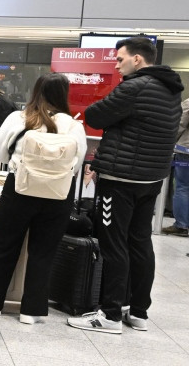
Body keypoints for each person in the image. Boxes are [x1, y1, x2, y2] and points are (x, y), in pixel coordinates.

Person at [68, 37, 183, 335]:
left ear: (138, 60)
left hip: (120, 180)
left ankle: (109, 315)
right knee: (140, 243)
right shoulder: (170, 90)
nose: (117, 65)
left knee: (113, 243)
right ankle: (139, 310)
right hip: (151, 178)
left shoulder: (134, 86)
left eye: (120, 59)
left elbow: (94, 115)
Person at [0, 73, 87, 323]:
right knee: (44, 250)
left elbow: (0, 152)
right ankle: (32, 310)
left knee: (3, 244)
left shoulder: (19, 118)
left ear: (36, 91)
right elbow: (78, 162)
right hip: (59, 193)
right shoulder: (74, 125)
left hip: (20, 188)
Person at [166, 97, 189, 236]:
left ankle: (181, 225)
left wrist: (170, 141)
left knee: (183, 187)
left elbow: (180, 124)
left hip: (186, 149)